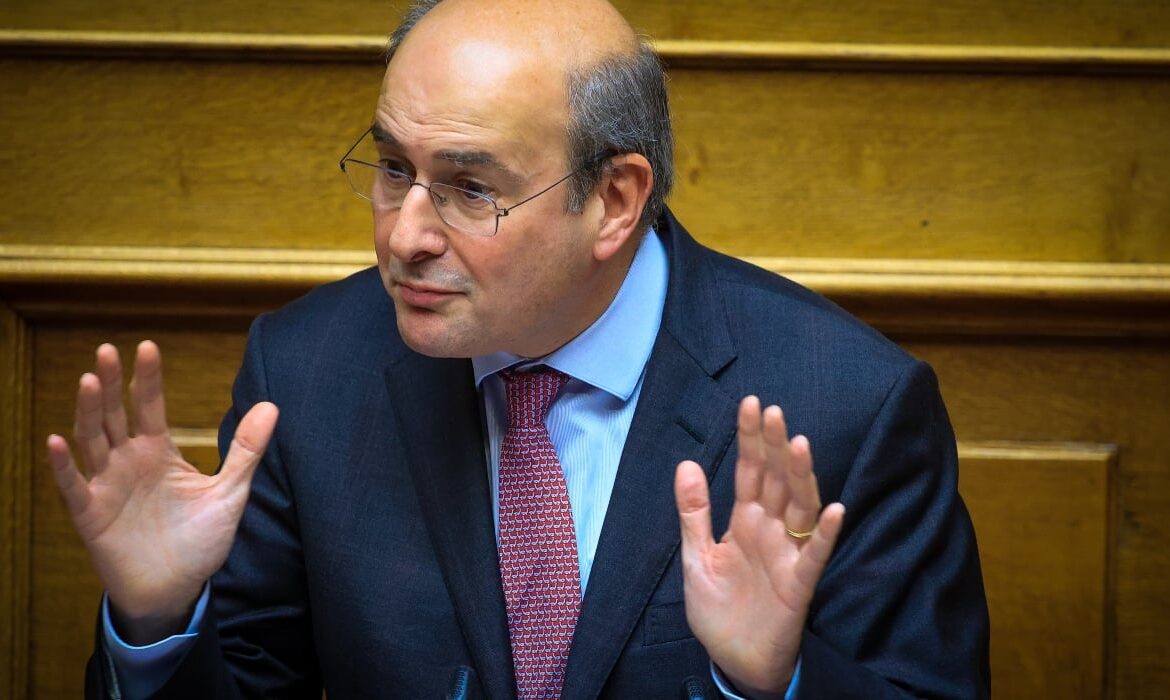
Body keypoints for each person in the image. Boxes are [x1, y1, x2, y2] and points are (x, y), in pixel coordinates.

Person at [46, 0, 990, 697]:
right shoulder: (308, 371)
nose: (404, 234)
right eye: (393, 169)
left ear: (614, 201)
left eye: (469, 188)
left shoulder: (847, 406)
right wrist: (157, 622)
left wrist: (769, 684)